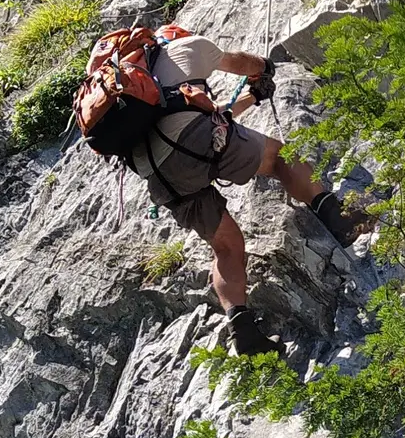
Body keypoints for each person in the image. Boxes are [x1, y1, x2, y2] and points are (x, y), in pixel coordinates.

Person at [127, 27, 364, 354]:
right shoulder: (187, 47)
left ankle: (244, 332)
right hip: (195, 140)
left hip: (159, 174)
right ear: (175, 36)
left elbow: (202, 117)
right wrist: (264, 69)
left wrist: (252, 97)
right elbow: (241, 63)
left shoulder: (139, 93)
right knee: (281, 158)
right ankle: (338, 219)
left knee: (225, 246)